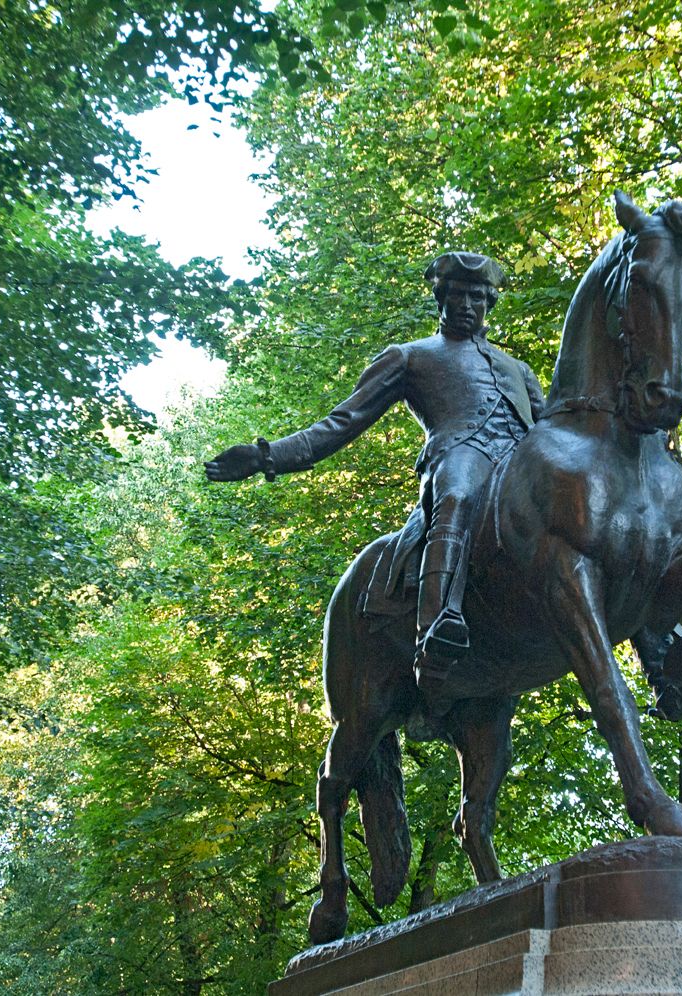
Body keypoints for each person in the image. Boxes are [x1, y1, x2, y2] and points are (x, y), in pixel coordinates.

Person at [205, 252, 545, 694]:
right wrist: (265, 455)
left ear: (490, 302)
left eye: (478, 297)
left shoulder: (518, 369)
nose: (467, 305)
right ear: (440, 299)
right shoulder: (409, 357)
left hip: (523, 465)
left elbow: (552, 428)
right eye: (458, 295)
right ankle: (437, 625)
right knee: (457, 495)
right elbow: (342, 422)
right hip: (462, 453)